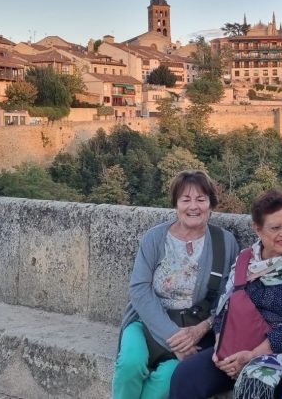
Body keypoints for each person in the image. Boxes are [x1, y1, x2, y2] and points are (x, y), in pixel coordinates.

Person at [170, 188, 282, 399]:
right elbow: (225, 307)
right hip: (236, 347)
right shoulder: (245, 260)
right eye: (275, 227)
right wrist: (221, 348)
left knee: (254, 385)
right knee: (186, 375)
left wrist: (253, 355)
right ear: (257, 229)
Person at [113, 170, 241, 399]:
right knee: (129, 366)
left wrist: (201, 329)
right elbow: (139, 289)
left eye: (201, 199)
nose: (194, 207)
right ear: (176, 204)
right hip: (146, 322)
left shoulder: (225, 242)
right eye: (186, 199)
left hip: (194, 330)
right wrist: (173, 337)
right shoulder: (155, 238)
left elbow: (228, 299)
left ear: (211, 204)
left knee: (168, 380)